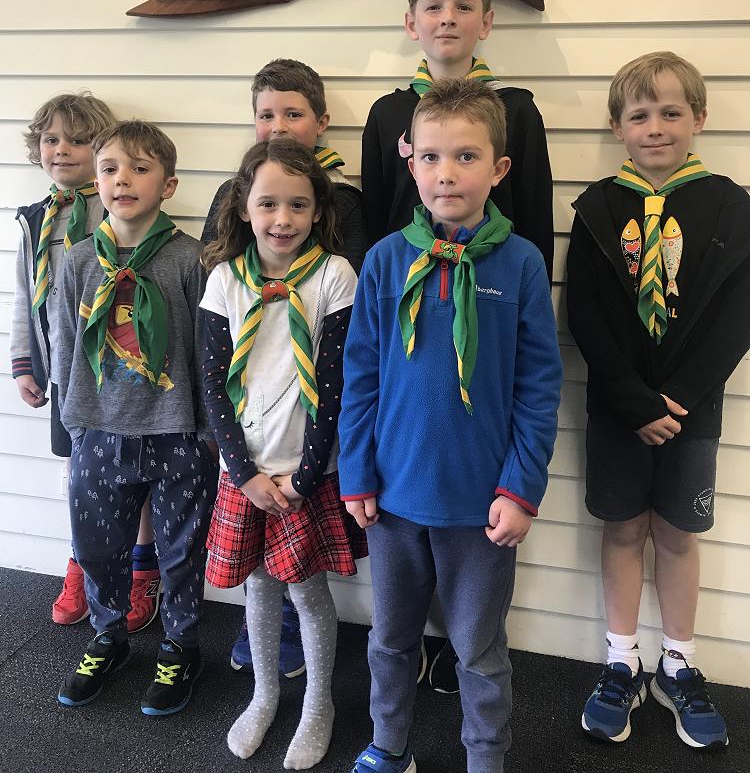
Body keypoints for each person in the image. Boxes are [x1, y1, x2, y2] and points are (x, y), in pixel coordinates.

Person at [339, 79, 562, 773]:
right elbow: (361, 377)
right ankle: (389, 744)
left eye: (466, 156)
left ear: (499, 169)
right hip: (394, 499)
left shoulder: (522, 263)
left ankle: (485, 757)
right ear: (410, 165)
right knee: (390, 641)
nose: (446, 173)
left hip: (481, 506)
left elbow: (538, 387)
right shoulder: (384, 261)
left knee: (479, 651)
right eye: (431, 157)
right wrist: (356, 473)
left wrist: (521, 488)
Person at [567, 52, 750, 749]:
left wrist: (675, 400)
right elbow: (585, 314)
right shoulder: (596, 209)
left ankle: (678, 662)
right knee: (621, 529)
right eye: (639, 115)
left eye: (671, 112)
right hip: (617, 411)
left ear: (698, 118)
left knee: (677, 533)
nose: (655, 127)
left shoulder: (732, 206)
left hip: (690, 414)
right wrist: (632, 401)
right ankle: (622, 659)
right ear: (618, 127)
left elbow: (737, 317)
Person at [200, 139, 366, 769]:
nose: (283, 218)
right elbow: (213, 383)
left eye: (298, 204)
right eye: (268, 203)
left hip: (305, 470)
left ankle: (318, 702)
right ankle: (265, 694)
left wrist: (305, 476)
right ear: (244, 207)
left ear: (317, 210)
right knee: (260, 587)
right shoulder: (225, 281)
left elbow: (336, 383)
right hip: (244, 472)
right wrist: (244, 475)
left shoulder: (334, 277)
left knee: (306, 588)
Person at [54, 119, 218, 716]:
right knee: (98, 548)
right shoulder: (77, 261)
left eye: (140, 169)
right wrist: (75, 423)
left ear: (168, 185)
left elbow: (208, 350)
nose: (122, 180)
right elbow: (66, 342)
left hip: (177, 433)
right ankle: (108, 636)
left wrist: (207, 434)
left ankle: (181, 647)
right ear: (96, 182)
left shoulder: (191, 260)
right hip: (99, 431)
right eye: (110, 169)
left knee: (180, 552)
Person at [10, 92, 159, 631]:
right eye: (51, 139)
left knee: (132, 472)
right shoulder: (35, 220)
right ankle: (84, 561)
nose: (62, 150)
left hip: (117, 373)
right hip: (64, 373)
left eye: (77, 140)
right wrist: (24, 360)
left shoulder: (118, 205)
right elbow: (25, 295)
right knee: (81, 473)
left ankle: (141, 569)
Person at [361, 0, 553, 282]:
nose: (448, 17)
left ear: (485, 22)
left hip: (495, 285)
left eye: (463, 6)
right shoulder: (385, 114)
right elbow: (376, 218)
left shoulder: (517, 111)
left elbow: (535, 215)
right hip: (406, 285)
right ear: (412, 24)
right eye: (434, 6)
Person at [202, 57, 367, 273]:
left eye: (293, 115)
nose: (278, 127)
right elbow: (208, 268)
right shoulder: (232, 192)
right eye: (266, 116)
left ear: (321, 123)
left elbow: (354, 281)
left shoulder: (343, 199)